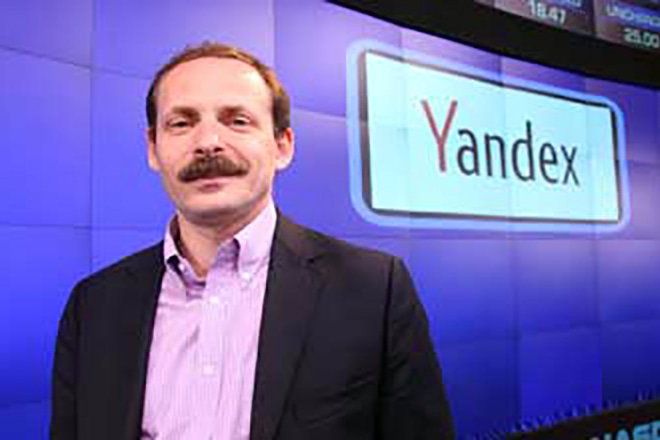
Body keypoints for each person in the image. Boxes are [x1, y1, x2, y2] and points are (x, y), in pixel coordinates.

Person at [50, 42, 454, 440]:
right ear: (153, 149)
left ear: (282, 146)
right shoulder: (93, 306)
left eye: (237, 120)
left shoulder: (374, 290)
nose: (208, 142)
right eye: (182, 123)